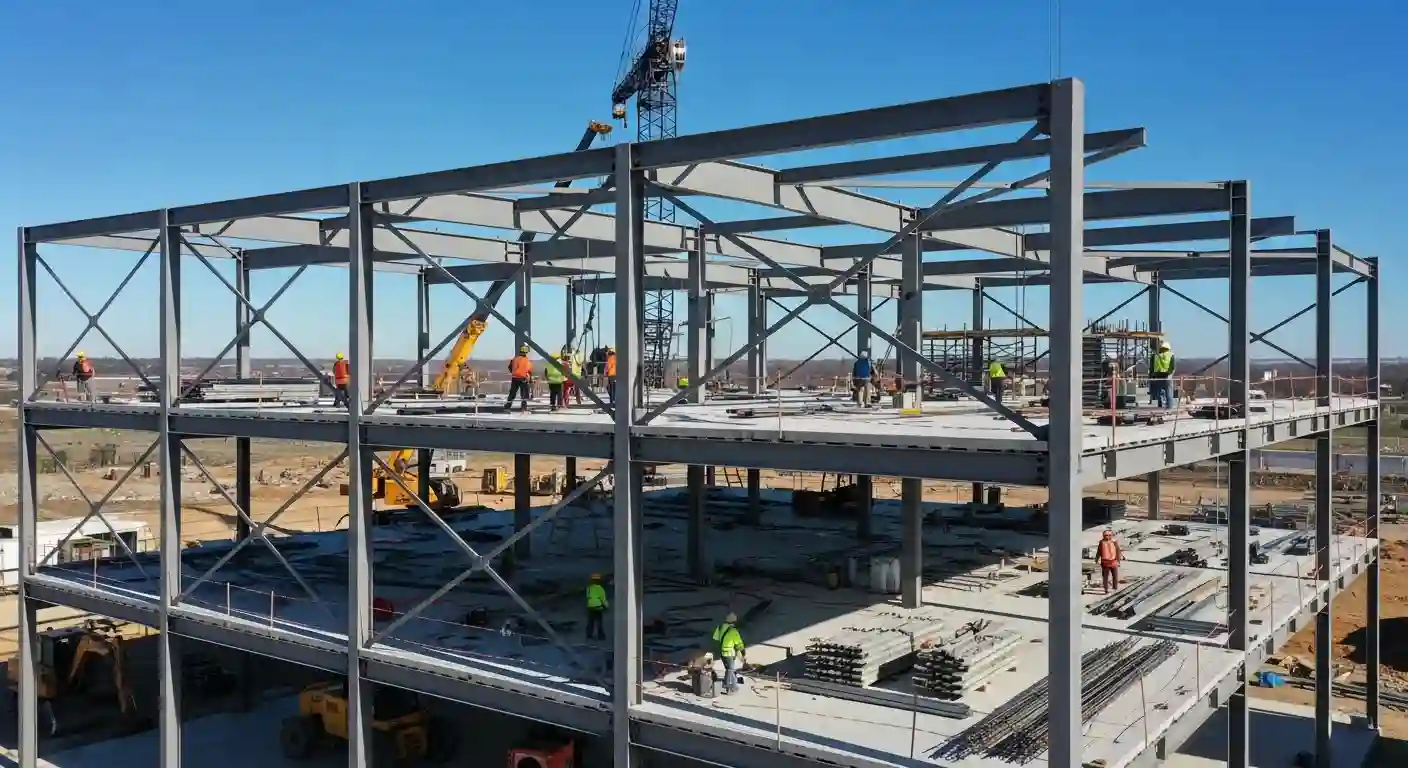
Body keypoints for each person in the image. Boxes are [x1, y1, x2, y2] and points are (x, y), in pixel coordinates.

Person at [712, 613, 746, 694]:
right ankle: (727, 684)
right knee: (730, 669)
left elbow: (715, 638)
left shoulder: (720, 627)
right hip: (729, 653)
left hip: (722, 652)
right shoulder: (733, 631)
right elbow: (739, 644)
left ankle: (733, 687)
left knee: (730, 670)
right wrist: (743, 653)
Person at [1149, 340, 1176, 409]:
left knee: (1159, 392)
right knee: (1169, 392)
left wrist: (1151, 377)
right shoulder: (1171, 355)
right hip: (1168, 375)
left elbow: (1151, 368)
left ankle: (1161, 406)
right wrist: (1171, 375)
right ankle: (1169, 407)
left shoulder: (1154, 355)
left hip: (1157, 375)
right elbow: (1173, 367)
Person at [506, 345, 533, 412]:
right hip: (523, 378)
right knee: (524, 393)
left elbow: (510, 367)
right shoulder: (526, 360)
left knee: (512, 392)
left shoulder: (515, 359)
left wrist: (514, 373)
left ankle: (508, 405)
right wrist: (530, 379)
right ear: (526, 352)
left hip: (515, 378)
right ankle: (524, 407)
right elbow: (529, 370)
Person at [1096, 530, 1124, 594]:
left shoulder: (1114, 542)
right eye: (1106, 535)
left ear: (1111, 536)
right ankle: (1106, 589)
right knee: (1105, 577)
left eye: (1109, 535)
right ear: (1103, 536)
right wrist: (1096, 560)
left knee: (1115, 576)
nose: (1108, 537)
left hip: (1113, 561)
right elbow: (1099, 551)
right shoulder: (1101, 542)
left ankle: (1115, 588)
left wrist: (1118, 561)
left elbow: (1118, 551)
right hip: (1105, 562)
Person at [585, 573, 608, 641]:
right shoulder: (600, 589)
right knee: (599, 621)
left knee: (590, 621)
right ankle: (600, 635)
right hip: (598, 607)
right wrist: (606, 606)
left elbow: (588, 596)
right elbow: (603, 599)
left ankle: (589, 635)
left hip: (591, 606)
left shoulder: (589, 588)